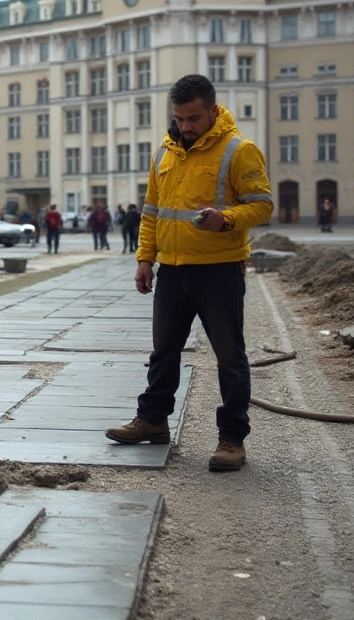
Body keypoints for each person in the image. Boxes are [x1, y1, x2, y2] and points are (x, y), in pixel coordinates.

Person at [106, 74, 273, 473]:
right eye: (180, 119)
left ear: (213, 111)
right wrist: (144, 259)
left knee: (230, 357)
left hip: (219, 271)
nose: (186, 126)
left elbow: (263, 205)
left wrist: (227, 219)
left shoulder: (239, 150)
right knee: (163, 352)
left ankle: (232, 438)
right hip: (173, 271)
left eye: (194, 118)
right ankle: (153, 420)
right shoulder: (164, 153)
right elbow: (151, 211)